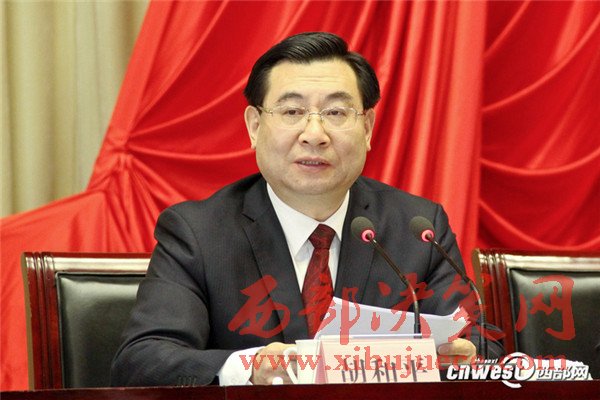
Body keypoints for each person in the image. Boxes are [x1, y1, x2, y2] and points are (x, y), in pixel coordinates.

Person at [110, 31, 503, 387]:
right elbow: (143, 359)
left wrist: (464, 358)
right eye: (292, 112)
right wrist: (249, 369)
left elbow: (483, 345)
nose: (314, 135)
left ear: (367, 128)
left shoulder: (417, 229)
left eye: (336, 113)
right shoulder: (198, 233)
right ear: (254, 126)